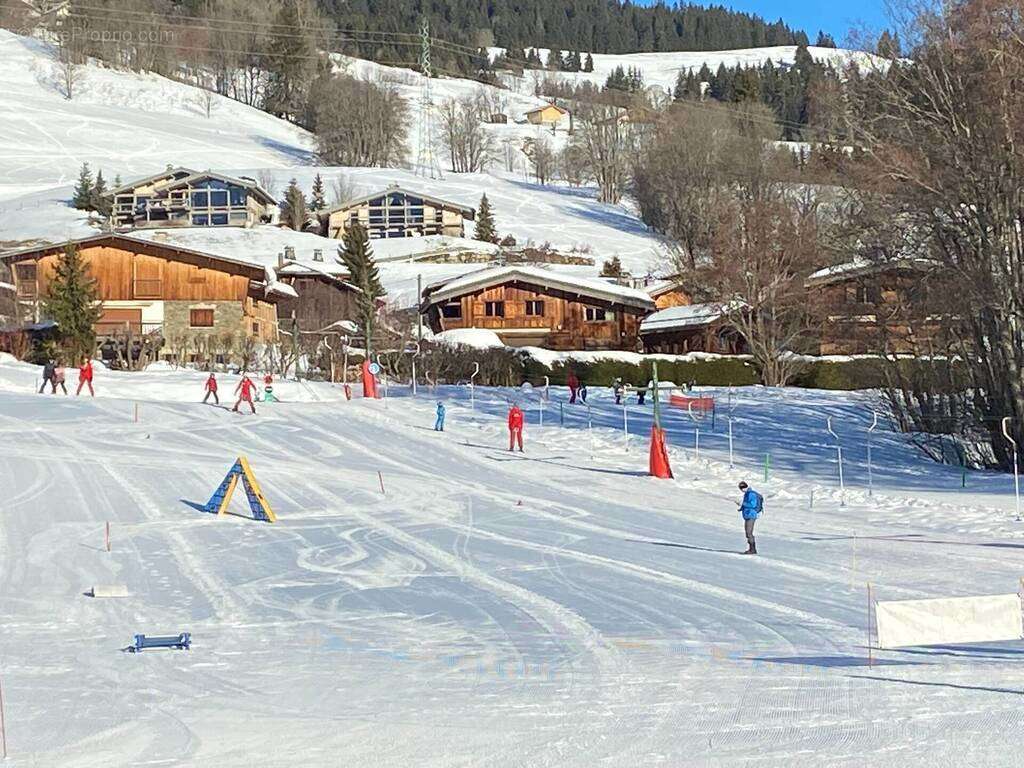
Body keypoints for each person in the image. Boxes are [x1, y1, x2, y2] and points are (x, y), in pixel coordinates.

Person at [737, 481, 764, 555]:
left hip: (751, 515)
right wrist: (741, 508)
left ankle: (752, 549)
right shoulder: (747, 493)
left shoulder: (751, 494)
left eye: (742, 488)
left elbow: (752, 504)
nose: (741, 490)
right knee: (747, 533)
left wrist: (743, 504)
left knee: (749, 532)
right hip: (748, 515)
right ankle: (751, 548)